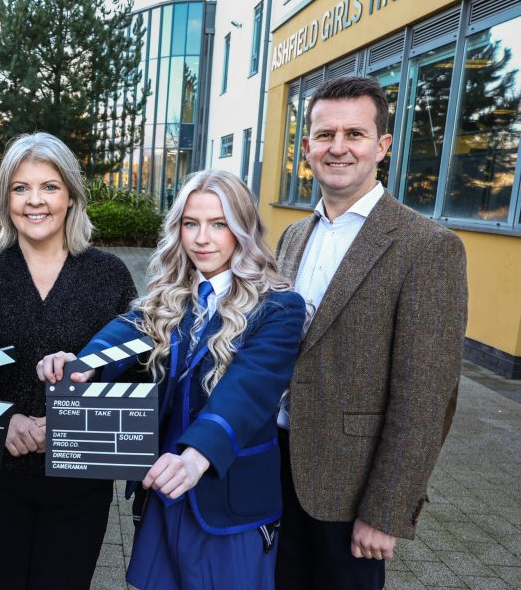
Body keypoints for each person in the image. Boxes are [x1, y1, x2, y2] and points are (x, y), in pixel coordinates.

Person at [40, 169, 306, 589]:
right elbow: (127, 328)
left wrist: (197, 455)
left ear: (243, 229)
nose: (202, 238)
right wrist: (81, 364)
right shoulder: (171, 294)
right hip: (164, 487)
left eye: (219, 224)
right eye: (191, 223)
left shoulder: (279, 306)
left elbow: (250, 388)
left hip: (225, 496)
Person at [274, 76, 468, 589]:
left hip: (351, 490)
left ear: (382, 146)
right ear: (307, 146)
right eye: (324, 134)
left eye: (354, 134)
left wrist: (387, 509)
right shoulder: (295, 235)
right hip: (274, 469)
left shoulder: (426, 246)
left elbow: (427, 395)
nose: (337, 148)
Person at [0, 133, 137, 589]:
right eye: (20, 188)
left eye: (49, 187)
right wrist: (4, 421)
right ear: (5, 198)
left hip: (81, 478)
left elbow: (136, 371)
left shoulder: (109, 275)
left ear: (72, 196)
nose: (34, 201)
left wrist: (73, 413)